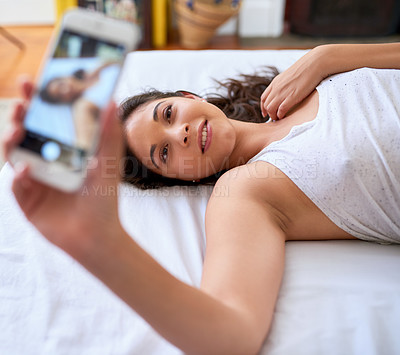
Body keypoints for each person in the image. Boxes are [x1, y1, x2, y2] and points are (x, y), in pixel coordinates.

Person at [3, 43, 400, 354]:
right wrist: (100, 245)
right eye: (164, 154)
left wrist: (329, 56)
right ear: (177, 179)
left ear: (190, 95)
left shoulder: (305, 79)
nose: (181, 135)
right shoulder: (245, 193)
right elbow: (232, 333)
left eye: (169, 113)